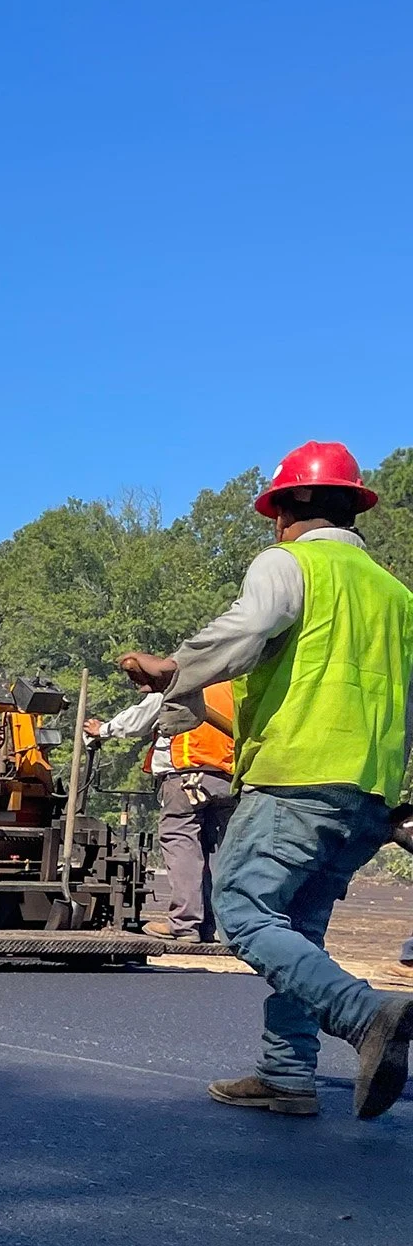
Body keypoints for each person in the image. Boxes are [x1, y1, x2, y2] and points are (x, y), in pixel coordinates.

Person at [118, 440, 413, 1119]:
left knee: (247, 912)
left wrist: (175, 667)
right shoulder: (397, 596)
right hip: (365, 793)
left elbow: (248, 629)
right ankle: (287, 1073)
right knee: (299, 932)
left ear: (285, 510)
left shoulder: (291, 564)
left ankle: (365, 1015)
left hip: (296, 780)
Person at [87, 682, 235, 944]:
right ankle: (212, 925)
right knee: (214, 852)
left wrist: (104, 729)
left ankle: (185, 924)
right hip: (227, 778)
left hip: (188, 776)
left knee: (181, 845)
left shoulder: (183, 681)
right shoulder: (232, 686)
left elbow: (139, 720)